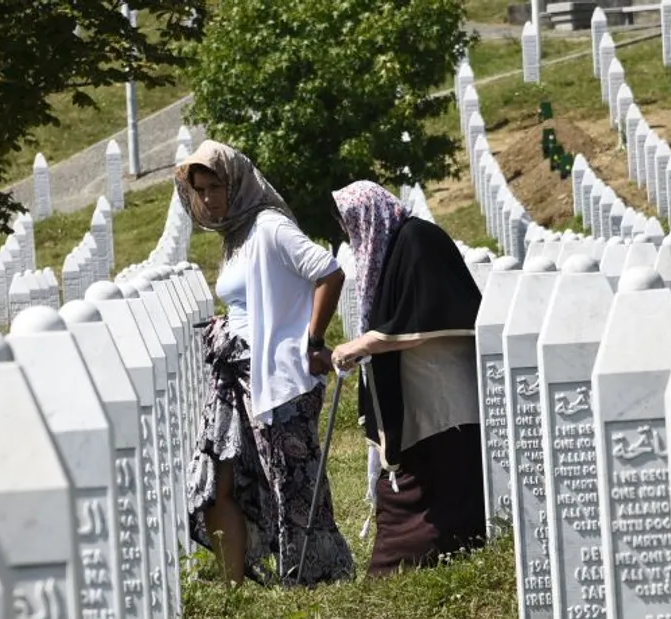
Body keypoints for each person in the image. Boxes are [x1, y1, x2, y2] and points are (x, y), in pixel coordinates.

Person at [174, 140, 354, 587]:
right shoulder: (236, 235)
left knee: (292, 483)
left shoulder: (269, 227)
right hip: (233, 373)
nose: (209, 198)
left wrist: (313, 340)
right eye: (201, 190)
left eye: (216, 187)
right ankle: (233, 587)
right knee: (217, 477)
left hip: (277, 377)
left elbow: (328, 272)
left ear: (236, 183)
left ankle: (316, 576)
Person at [329, 180, 487, 577]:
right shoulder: (395, 244)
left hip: (442, 390)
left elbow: (423, 315)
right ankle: (400, 559)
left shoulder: (418, 240)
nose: (352, 235)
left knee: (444, 472)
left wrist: (360, 344)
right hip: (418, 385)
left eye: (353, 224)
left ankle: (423, 554)